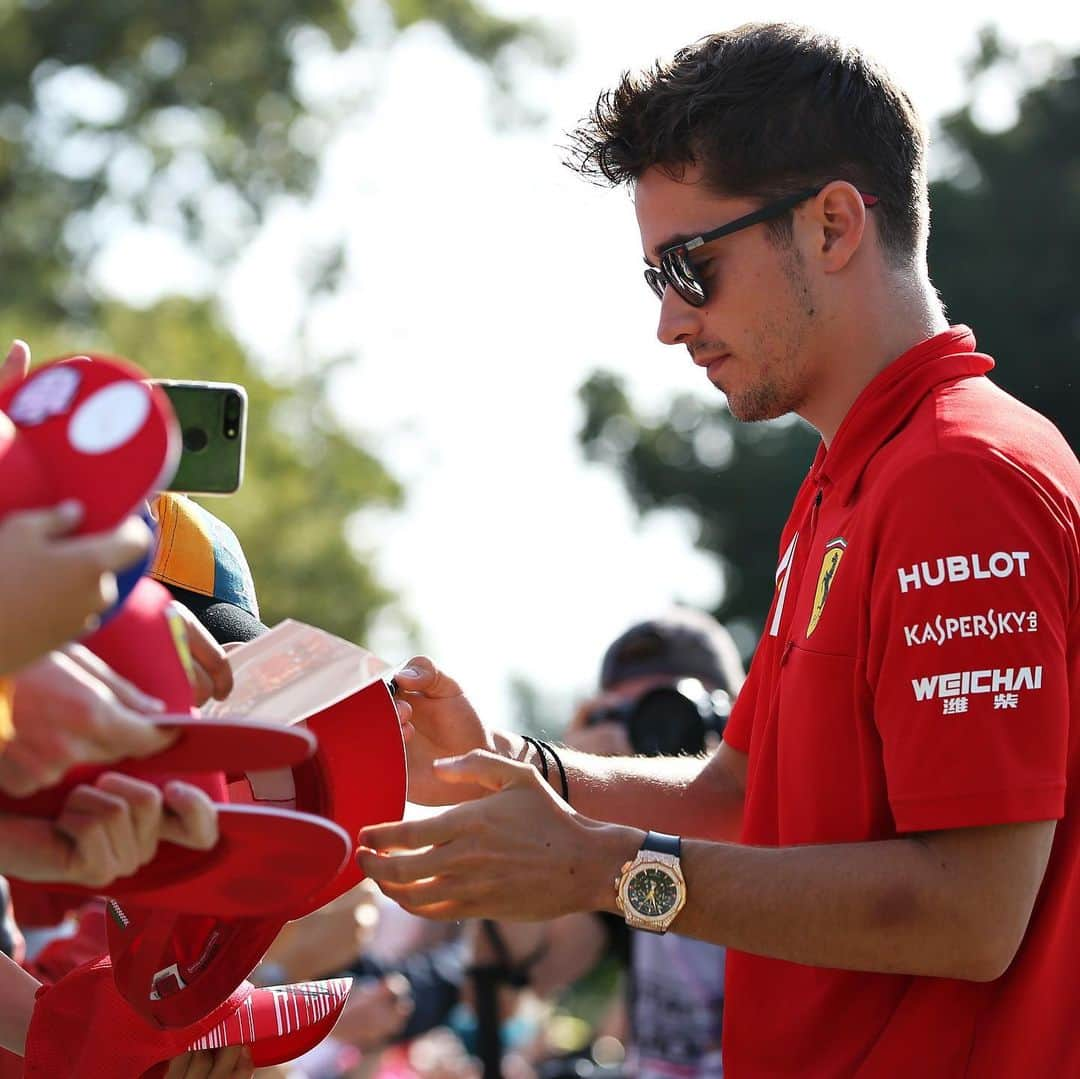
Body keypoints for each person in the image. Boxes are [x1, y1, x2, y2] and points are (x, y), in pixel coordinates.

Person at [357, 23, 1080, 1078]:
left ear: (834, 223)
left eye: (692, 266)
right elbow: (748, 797)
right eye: (654, 275)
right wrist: (517, 769)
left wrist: (605, 872)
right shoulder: (851, 477)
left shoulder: (960, 476)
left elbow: (972, 914)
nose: (668, 322)